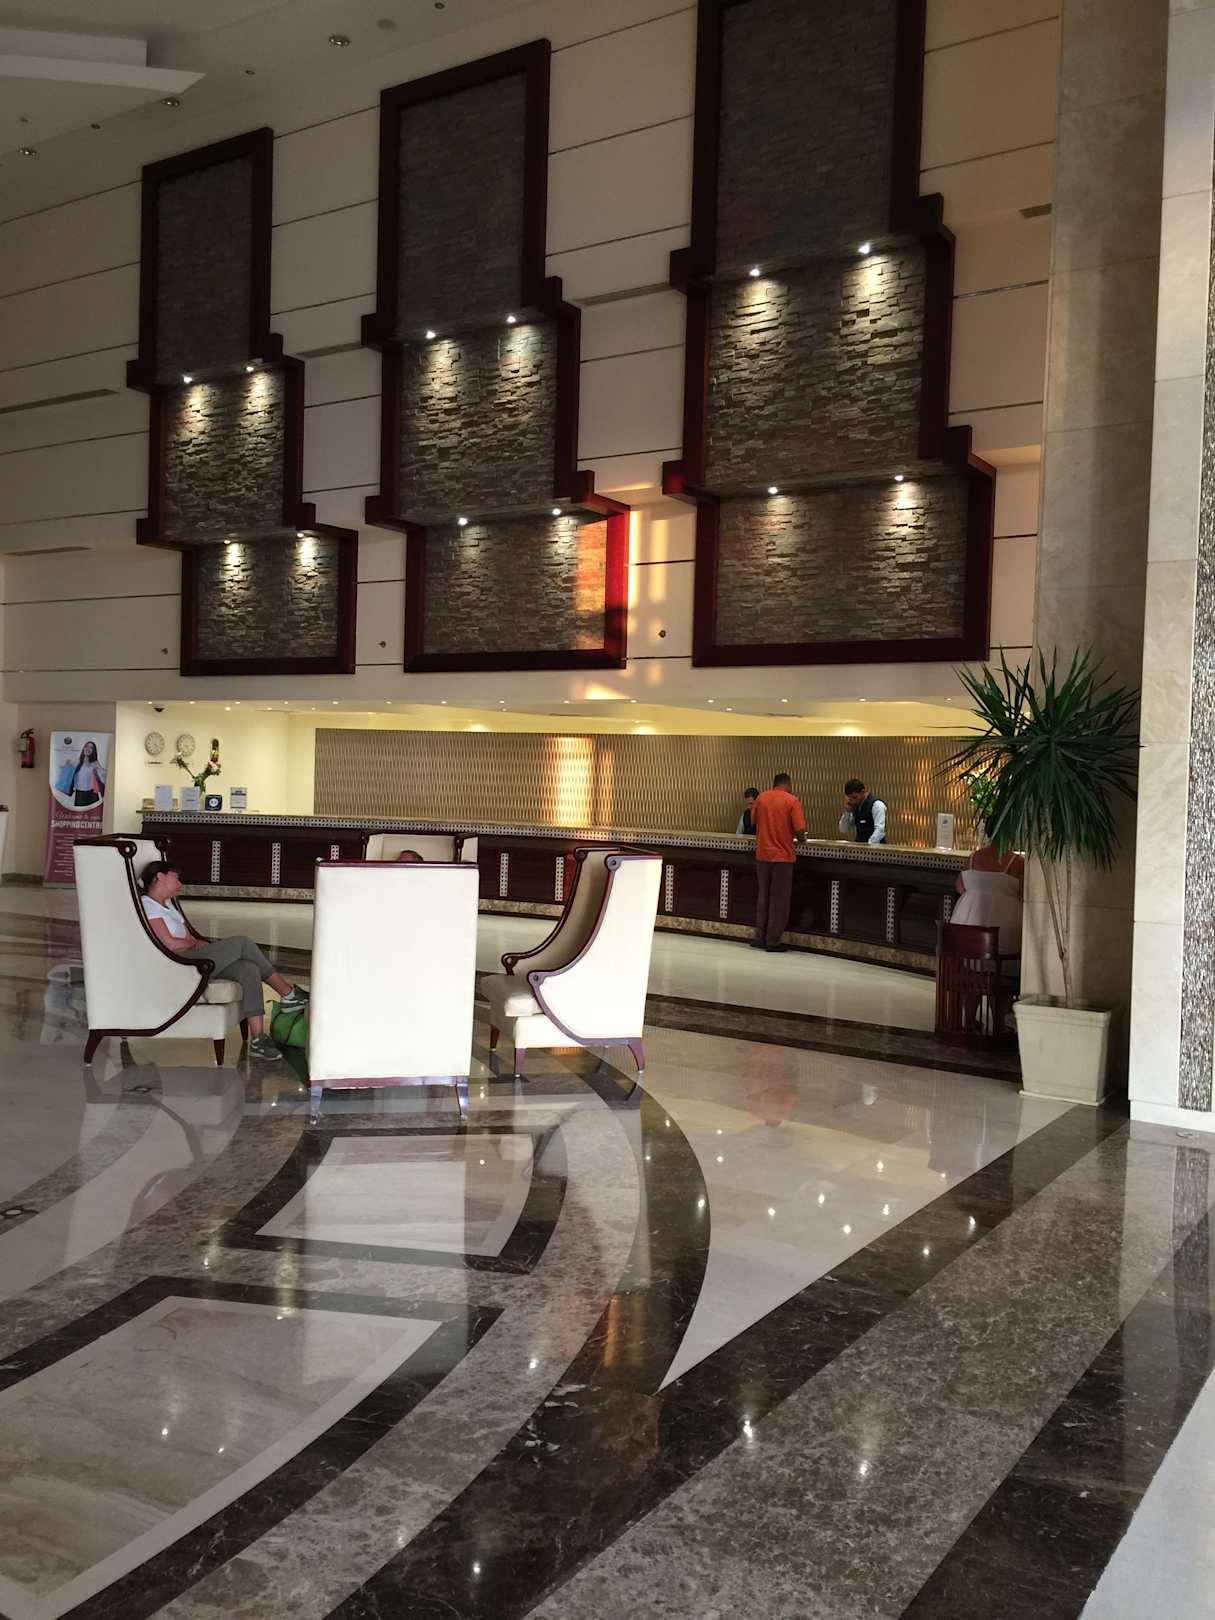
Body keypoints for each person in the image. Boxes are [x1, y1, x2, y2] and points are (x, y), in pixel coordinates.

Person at [138, 861, 307, 1060]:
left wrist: (197, 944)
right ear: (159, 877)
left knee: (249, 969)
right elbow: (170, 944)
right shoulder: (148, 905)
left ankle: (258, 1039)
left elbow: (188, 938)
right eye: (175, 878)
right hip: (179, 962)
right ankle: (288, 993)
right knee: (242, 943)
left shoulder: (168, 907)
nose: (180, 883)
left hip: (192, 956)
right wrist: (193, 944)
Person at [750, 772, 807, 953]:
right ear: (788, 784)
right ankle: (773, 941)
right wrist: (802, 839)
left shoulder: (761, 798)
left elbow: (753, 821)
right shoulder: (792, 801)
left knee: (763, 896)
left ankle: (759, 937)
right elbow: (800, 828)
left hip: (762, 855)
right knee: (779, 900)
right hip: (782, 856)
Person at [952, 839, 1024, 954]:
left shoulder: (973, 857)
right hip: (1003, 932)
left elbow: (959, 887)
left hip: (966, 930)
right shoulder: (1017, 862)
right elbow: (1026, 895)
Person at [839, 778, 887, 845]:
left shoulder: (877, 805)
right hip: (859, 845)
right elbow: (843, 829)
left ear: (863, 792)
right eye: (850, 798)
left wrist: (868, 846)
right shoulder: (855, 806)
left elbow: (880, 830)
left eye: (855, 797)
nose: (853, 801)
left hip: (875, 846)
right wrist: (847, 812)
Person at [70, 741, 106, 808]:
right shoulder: (77, 762)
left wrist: (99, 767)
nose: (88, 748)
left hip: (92, 795)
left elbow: (104, 781)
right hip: (79, 795)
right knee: (79, 814)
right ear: (83, 748)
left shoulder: (94, 764)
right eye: (86, 746)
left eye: (91, 747)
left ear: (93, 751)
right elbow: (67, 776)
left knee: (94, 814)